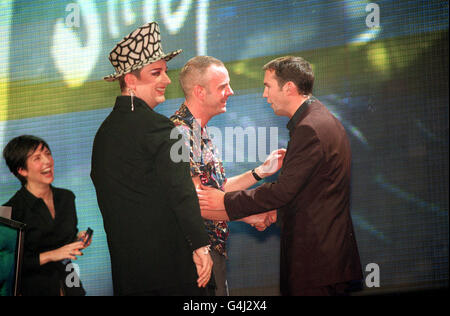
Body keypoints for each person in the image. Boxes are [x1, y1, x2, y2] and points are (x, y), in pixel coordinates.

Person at [197, 56, 363, 296]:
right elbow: (309, 194)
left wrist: (225, 202)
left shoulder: (309, 127)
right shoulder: (319, 119)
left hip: (316, 262)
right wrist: (271, 212)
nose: (265, 95)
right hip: (325, 258)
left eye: (267, 86)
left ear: (289, 88)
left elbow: (283, 191)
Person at [90, 22, 212, 296]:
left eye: (165, 72)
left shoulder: (103, 135)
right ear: (130, 80)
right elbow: (181, 192)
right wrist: (200, 246)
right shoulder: (160, 128)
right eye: (156, 73)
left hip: (130, 275)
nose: (167, 80)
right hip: (172, 273)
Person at [170, 56, 284, 295]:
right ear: (200, 92)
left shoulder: (197, 129)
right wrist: (248, 215)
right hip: (197, 255)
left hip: (212, 251)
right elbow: (195, 201)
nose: (231, 92)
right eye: (223, 86)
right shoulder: (180, 132)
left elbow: (217, 191)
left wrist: (260, 172)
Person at [2, 135, 90, 296]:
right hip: (35, 288)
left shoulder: (67, 197)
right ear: (21, 170)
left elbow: (64, 241)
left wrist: (79, 239)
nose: (47, 161)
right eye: (37, 158)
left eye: (47, 153)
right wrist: (52, 255)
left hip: (71, 283)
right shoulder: (10, 211)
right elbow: (8, 266)